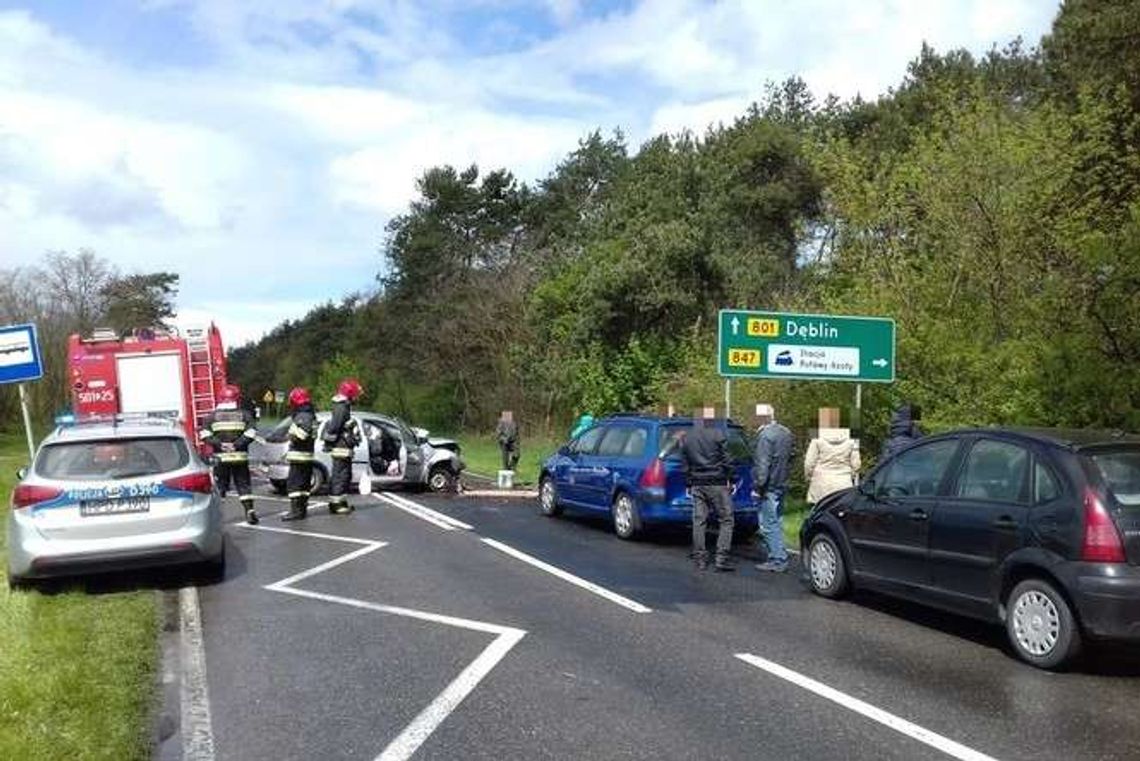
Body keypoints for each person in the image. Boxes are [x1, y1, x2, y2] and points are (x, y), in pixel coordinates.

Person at [681, 408, 735, 572]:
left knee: (699, 521)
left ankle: (700, 559)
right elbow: (727, 459)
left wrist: (689, 483)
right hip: (717, 482)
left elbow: (686, 464)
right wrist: (731, 479)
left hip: (697, 483)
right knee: (726, 519)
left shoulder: (687, 438)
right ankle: (721, 559)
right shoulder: (717, 434)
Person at [201, 384, 259, 524]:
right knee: (243, 485)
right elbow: (251, 434)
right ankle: (249, 511)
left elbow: (204, 436)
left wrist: (220, 444)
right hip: (240, 457)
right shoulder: (245, 415)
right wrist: (236, 444)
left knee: (220, 487)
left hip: (221, 458)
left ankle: (217, 517)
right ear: (236, 399)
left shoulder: (211, 417)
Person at [752, 404, 794, 573]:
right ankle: (779, 553)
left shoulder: (765, 436)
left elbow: (763, 464)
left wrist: (758, 487)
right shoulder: (786, 432)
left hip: (769, 485)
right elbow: (791, 457)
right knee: (778, 520)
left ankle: (777, 559)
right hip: (781, 482)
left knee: (768, 523)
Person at [323, 378, 362, 516]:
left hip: (344, 448)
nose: (357, 397)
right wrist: (348, 426)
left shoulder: (344, 406)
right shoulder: (342, 407)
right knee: (341, 476)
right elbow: (335, 426)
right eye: (355, 393)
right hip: (341, 448)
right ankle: (336, 505)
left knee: (344, 476)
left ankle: (341, 502)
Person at [281, 387, 316, 522]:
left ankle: (296, 511)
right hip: (306, 454)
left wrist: (291, 435)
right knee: (304, 485)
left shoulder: (303, 416)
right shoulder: (311, 414)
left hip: (299, 454)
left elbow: (302, 434)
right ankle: (301, 510)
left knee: (294, 484)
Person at [805, 422, 861, 506]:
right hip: (843, 482)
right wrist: (851, 475)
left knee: (819, 510)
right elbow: (856, 464)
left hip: (821, 481)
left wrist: (808, 476)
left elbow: (809, 463)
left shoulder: (817, 440)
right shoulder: (851, 441)